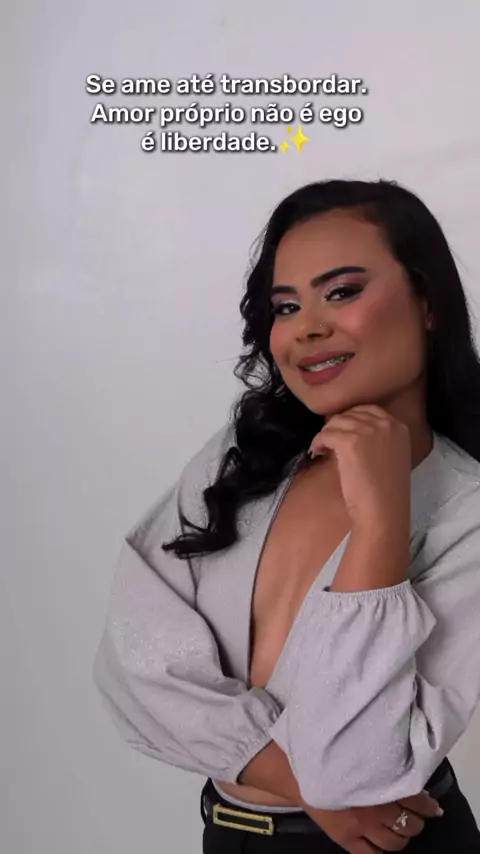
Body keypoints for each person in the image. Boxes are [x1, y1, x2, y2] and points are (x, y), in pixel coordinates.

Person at [92, 179, 480, 853]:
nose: (307, 327)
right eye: (286, 306)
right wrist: (303, 783)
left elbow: (362, 767)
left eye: (343, 292)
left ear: (427, 303)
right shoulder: (241, 460)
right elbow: (133, 668)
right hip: (229, 834)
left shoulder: (469, 512)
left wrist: (382, 523)